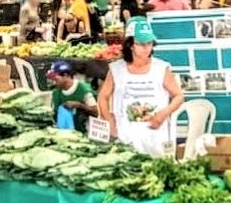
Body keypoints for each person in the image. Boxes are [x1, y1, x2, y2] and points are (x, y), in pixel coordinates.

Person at [97, 18, 185, 156]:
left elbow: (178, 96)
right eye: (141, 44)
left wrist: (162, 114)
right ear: (130, 45)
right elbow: (103, 96)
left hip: (155, 135)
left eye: (149, 43)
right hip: (125, 135)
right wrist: (108, 119)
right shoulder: (116, 69)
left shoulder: (161, 68)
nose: (146, 48)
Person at [49, 61, 98, 133]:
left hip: (84, 132)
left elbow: (96, 112)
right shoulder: (56, 93)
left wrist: (79, 105)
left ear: (66, 75)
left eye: (56, 79)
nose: (54, 82)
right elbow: (54, 113)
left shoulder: (83, 90)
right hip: (64, 134)